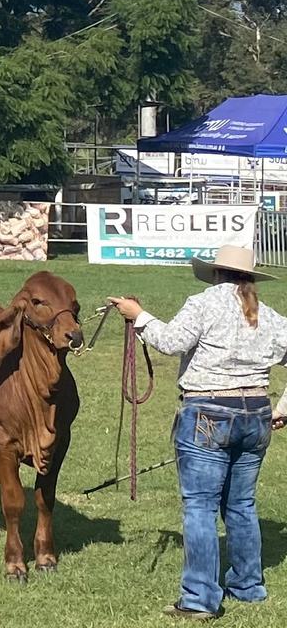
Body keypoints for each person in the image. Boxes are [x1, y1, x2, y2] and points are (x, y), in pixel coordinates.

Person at [108, 245, 287, 621]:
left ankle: (201, 599)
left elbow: (172, 343)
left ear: (216, 273)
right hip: (255, 410)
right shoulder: (267, 315)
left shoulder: (204, 303)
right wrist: (283, 405)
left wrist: (138, 316)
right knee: (241, 505)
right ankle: (247, 585)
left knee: (201, 508)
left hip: (208, 411)